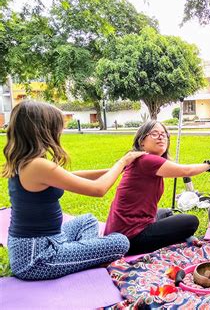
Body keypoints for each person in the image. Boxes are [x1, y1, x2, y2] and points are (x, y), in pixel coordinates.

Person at [3, 101, 144, 281]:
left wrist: (116, 169)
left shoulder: (26, 161)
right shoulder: (37, 165)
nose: (60, 132)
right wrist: (123, 162)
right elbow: (99, 189)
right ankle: (82, 258)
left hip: (48, 239)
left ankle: (79, 257)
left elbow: (69, 175)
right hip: (35, 259)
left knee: (88, 221)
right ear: (43, 130)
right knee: (120, 242)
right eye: (57, 127)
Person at [104, 120, 210, 255]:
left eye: (164, 134)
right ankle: (183, 237)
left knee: (166, 212)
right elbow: (186, 171)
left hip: (120, 231)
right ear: (142, 141)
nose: (161, 137)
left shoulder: (139, 161)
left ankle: (182, 237)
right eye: (154, 133)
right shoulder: (147, 160)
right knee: (191, 222)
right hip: (130, 239)